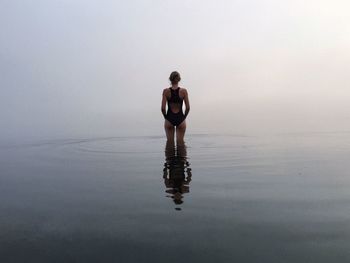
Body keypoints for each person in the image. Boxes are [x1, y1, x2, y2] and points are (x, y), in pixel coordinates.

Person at [161, 71, 190, 143]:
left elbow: (163, 108)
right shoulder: (184, 91)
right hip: (180, 118)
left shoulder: (166, 91)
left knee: (169, 143)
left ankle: (170, 154)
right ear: (179, 79)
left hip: (169, 118)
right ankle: (182, 154)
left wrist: (166, 117)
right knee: (181, 143)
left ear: (170, 79)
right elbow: (188, 108)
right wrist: (184, 117)